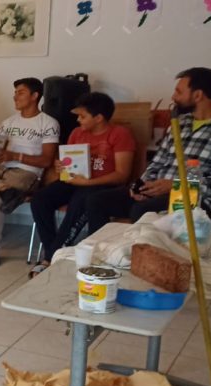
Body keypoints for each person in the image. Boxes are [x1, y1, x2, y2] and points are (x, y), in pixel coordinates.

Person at [86, 67, 211, 233]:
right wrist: (142, 186)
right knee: (96, 201)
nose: (173, 97)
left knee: (143, 210)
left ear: (198, 95)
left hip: (194, 199)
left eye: (179, 92)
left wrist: (176, 185)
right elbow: (158, 162)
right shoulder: (179, 124)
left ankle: (141, 249)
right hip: (158, 191)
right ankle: (101, 248)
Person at [29, 92, 135, 276]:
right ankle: (54, 250)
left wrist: (89, 182)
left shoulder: (119, 134)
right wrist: (60, 166)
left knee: (80, 202)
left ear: (99, 118)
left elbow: (121, 175)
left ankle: (50, 258)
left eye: (82, 116)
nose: (78, 120)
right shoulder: (77, 133)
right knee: (40, 199)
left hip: (103, 185)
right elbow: (67, 165)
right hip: (75, 181)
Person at [0, 77, 60, 267]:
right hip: (0, 169)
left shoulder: (48, 123)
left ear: (35, 96)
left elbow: (47, 160)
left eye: (20, 93)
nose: (15, 97)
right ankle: (4, 189)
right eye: (15, 93)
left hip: (26, 173)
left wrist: (15, 156)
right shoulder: (7, 123)